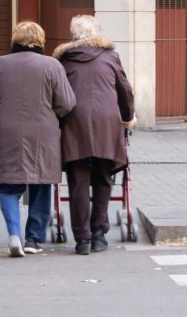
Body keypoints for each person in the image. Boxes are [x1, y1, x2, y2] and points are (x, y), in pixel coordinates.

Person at [0, 21, 75, 257]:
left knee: (8, 187)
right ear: (41, 39)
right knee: (41, 184)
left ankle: (14, 233)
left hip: (9, 130)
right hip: (43, 131)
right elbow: (67, 103)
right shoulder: (51, 65)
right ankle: (33, 240)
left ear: (15, 39)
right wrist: (50, 114)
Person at [53, 15, 135, 255]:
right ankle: (99, 235)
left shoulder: (63, 61)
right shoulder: (111, 57)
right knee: (102, 177)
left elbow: (57, 95)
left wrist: (58, 118)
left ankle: (82, 240)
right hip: (106, 123)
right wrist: (127, 116)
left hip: (74, 123)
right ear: (97, 33)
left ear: (73, 35)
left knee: (78, 182)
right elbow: (125, 91)